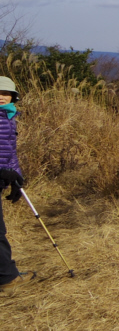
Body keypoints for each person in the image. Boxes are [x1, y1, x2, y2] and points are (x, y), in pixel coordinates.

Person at [0, 76, 33, 290]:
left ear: (13, 96)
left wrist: (16, 177)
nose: (1, 97)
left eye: (5, 93)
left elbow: (10, 153)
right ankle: (7, 278)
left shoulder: (9, 116)